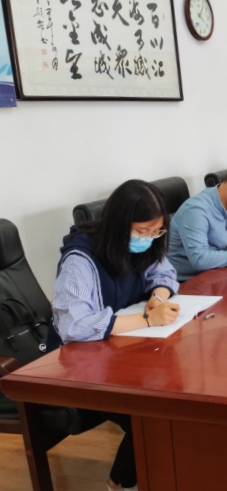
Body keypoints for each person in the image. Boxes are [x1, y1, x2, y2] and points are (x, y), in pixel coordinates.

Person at [49, 179, 182, 491]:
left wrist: (158, 296)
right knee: (153, 410)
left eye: (156, 232)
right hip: (78, 364)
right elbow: (73, 327)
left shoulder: (139, 244)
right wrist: (147, 319)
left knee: (175, 392)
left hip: (121, 350)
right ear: (120, 225)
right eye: (143, 231)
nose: (148, 239)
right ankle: (119, 484)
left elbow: (164, 272)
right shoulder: (80, 260)